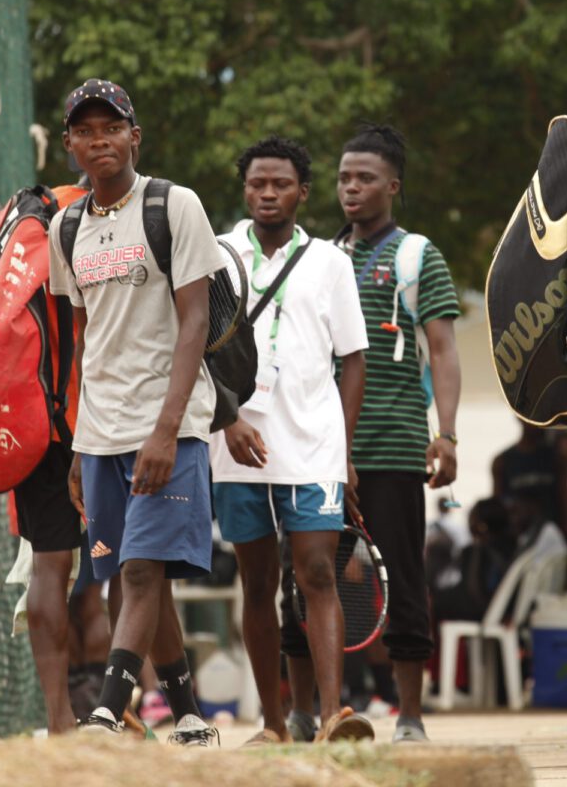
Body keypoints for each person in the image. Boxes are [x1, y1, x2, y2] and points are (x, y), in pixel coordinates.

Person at [48, 79, 220, 746]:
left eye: (111, 128)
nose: (100, 141)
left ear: (134, 136)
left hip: (168, 423)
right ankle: (187, 714)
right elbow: (86, 338)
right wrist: (76, 441)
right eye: (85, 132)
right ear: (69, 146)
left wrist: (166, 430)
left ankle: (105, 712)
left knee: (142, 570)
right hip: (100, 432)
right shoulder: (67, 227)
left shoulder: (174, 205)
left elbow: (196, 318)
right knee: (130, 570)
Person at [209, 135, 374, 745]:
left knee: (317, 574)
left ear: (303, 192)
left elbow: (353, 358)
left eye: (281, 184)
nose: (268, 193)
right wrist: (228, 417)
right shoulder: (219, 253)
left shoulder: (331, 262)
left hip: (312, 445)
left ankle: (334, 716)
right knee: (255, 582)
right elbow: (199, 349)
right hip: (236, 445)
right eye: (258, 184)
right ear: (244, 188)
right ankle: (274, 723)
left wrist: (344, 450)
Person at [332, 123, 461, 744]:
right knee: (311, 580)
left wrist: (450, 434)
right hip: (322, 455)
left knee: (405, 577)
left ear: (393, 186)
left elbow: (443, 348)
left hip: (394, 446)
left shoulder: (416, 256)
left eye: (365, 178)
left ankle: (409, 715)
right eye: (343, 178)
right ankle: (324, 710)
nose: (351, 188)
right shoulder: (323, 256)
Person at [9, 177, 90, 735]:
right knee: (137, 570)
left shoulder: (28, 214)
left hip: (34, 416)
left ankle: (60, 717)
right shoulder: (120, 216)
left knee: (49, 566)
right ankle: (128, 708)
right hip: (100, 417)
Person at [490, 422, 567, 542]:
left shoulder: (555, 458)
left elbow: (564, 501)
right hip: (517, 542)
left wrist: (566, 537)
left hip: (551, 539)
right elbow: (497, 508)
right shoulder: (502, 462)